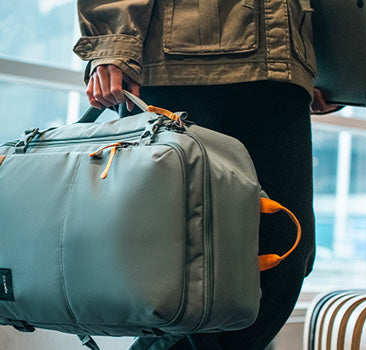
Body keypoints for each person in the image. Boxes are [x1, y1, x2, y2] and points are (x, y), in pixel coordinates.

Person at [73, 1, 333, 349]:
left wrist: (333, 68)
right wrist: (112, 44)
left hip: (282, 68)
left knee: (287, 251)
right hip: (179, 65)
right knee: (183, 270)